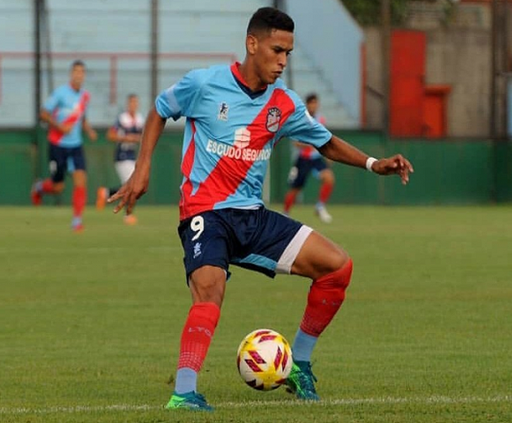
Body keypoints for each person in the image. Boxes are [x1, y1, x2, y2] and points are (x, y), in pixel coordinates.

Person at [109, 7, 413, 412]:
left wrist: (374, 164)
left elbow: (324, 141)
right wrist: (142, 168)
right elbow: (160, 110)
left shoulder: (283, 104)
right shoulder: (204, 84)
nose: (283, 61)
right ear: (252, 44)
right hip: (205, 213)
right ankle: (184, 392)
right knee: (210, 289)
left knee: (338, 267)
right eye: (277, 50)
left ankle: (299, 363)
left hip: (252, 217)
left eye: (288, 53)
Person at [31, 60, 97, 231]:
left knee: (80, 180)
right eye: (76, 71)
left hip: (76, 146)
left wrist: (89, 130)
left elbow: (82, 118)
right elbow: (43, 114)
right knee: (57, 187)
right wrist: (60, 127)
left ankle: (77, 220)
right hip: (58, 145)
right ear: (71, 74)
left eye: (82, 72)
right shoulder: (60, 93)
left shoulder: (85, 96)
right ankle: (39, 187)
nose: (79, 75)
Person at [283, 93, 335, 223]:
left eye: (315, 103)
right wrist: (310, 143)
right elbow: (295, 142)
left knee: (329, 178)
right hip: (303, 159)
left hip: (316, 158)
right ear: (307, 104)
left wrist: (328, 155)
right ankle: (285, 214)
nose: (314, 106)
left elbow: (324, 139)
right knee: (295, 189)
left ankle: (320, 207)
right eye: (311, 103)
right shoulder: (301, 118)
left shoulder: (320, 119)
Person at [96, 93, 144, 225]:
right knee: (131, 186)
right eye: (131, 102)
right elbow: (110, 135)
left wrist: (138, 139)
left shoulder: (139, 119)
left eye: (135, 102)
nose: (134, 105)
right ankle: (128, 215)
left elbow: (142, 136)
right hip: (122, 155)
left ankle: (105, 193)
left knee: (131, 185)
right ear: (128, 104)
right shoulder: (122, 119)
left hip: (133, 156)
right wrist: (126, 138)